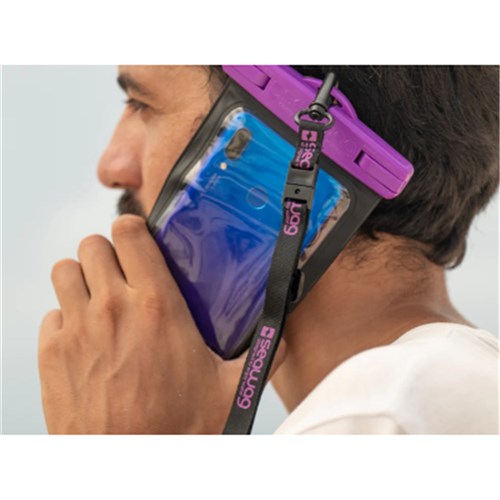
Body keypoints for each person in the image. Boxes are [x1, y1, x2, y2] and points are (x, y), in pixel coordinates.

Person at [38, 65, 499, 434]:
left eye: (142, 104)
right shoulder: (433, 392)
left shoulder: (382, 414)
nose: (111, 166)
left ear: (285, 148)